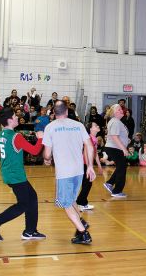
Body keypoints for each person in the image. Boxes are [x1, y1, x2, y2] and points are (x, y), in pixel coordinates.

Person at [0, 108, 46, 241]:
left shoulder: (2, 134)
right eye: (15, 116)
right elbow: (35, 151)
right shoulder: (16, 136)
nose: (17, 117)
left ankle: (30, 231)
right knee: (23, 204)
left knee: (32, 197)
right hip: (16, 176)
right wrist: (40, 138)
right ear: (9, 120)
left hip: (9, 174)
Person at [42, 100, 96, 244]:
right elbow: (89, 145)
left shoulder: (50, 127)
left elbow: (47, 154)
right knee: (71, 200)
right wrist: (90, 166)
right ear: (66, 111)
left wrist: (47, 160)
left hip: (64, 172)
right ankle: (81, 224)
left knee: (66, 204)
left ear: (54, 113)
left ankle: (84, 234)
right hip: (78, 171)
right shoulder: (78, 125)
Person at [102, 104, 129, 198]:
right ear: (114, 112)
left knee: (121, 167)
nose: (121, 110)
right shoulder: (115, 122)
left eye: (121, 109)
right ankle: (117, 191)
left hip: (115, 148)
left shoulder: (117, 121)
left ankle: (110, 183)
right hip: (115, 148)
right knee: (122, 168)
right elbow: (114, 137)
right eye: (119, 109)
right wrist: (124, 148)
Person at [76, 122, 103, 211]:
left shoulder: (94, 139)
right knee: (87, 183)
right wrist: (88, 166)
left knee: (86, 183)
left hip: (86, 164)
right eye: (95, 125)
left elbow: (94, 153)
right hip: (83, 164)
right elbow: (85, 153)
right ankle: (81, 202)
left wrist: (99, 165)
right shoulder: (88, 138)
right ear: (90, 129)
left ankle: (81, 202)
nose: (98, 126)